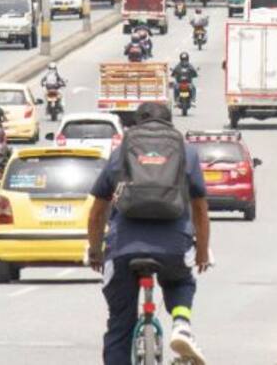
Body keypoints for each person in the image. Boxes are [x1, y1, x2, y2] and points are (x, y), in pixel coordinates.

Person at [88, 101, 210, 365]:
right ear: (170, 122)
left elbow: (97, 211)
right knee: (181, 280)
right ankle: (181, 323)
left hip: (122, 249)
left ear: (136, 124)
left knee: (120, 326)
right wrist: (201, 251)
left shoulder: (120, 153)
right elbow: (200, 207)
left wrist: (95, 251)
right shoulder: (186, 153)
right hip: (174, 246)